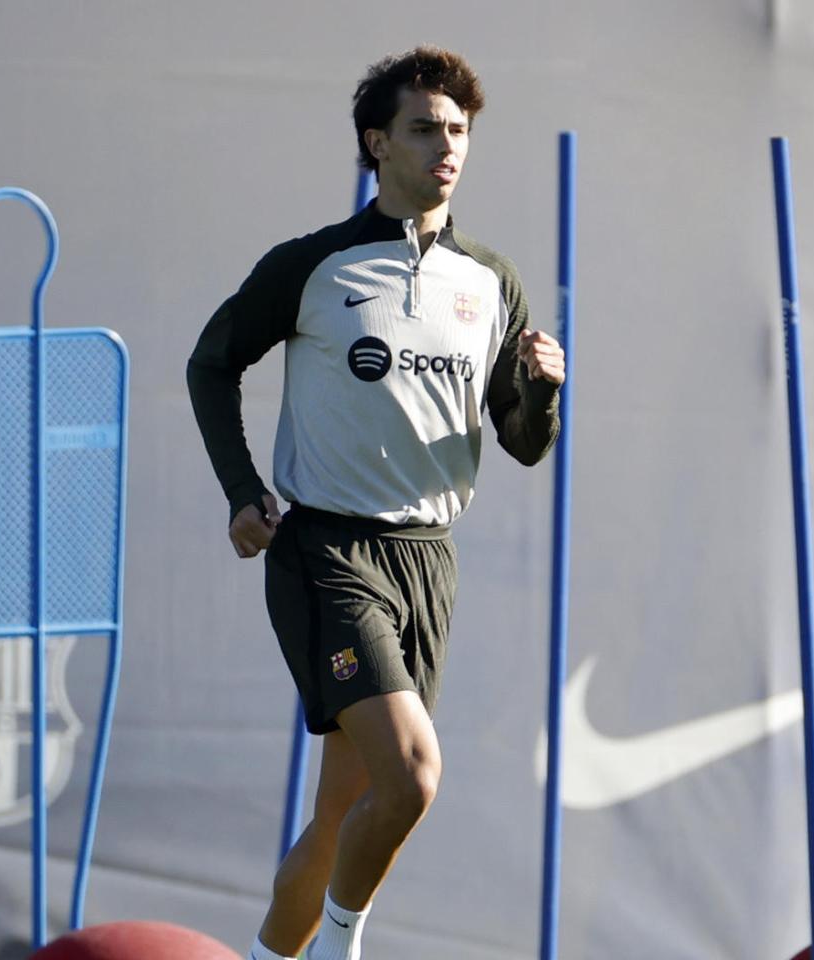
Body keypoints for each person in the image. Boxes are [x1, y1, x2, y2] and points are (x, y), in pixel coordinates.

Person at [185, 46, 566, 960]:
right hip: (328, 553)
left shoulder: (491, 281)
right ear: (377, 143)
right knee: (414, 776)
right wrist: (244, 494)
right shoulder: (315, 265)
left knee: (341, 818)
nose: (448, 146)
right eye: (426, 127)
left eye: (460, 130)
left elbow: (520, 443)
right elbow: (211, 363)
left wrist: (541, 388)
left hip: (428, 560)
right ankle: (340, 947)